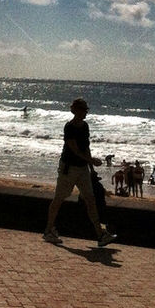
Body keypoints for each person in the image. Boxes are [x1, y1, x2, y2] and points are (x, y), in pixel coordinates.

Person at [43, 98, 114, 247]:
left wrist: (91, 169)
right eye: (83, 110)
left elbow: (86, 147)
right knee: (59, 198)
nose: (85, 113)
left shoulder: (85, 126)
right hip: (68, 168)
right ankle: (48, 231)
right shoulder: (69, 127)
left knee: (90, 199)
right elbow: (74, 149)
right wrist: (92, 160)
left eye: (86, 110)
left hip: (82, 169)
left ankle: (100, 235)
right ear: (75, 110)